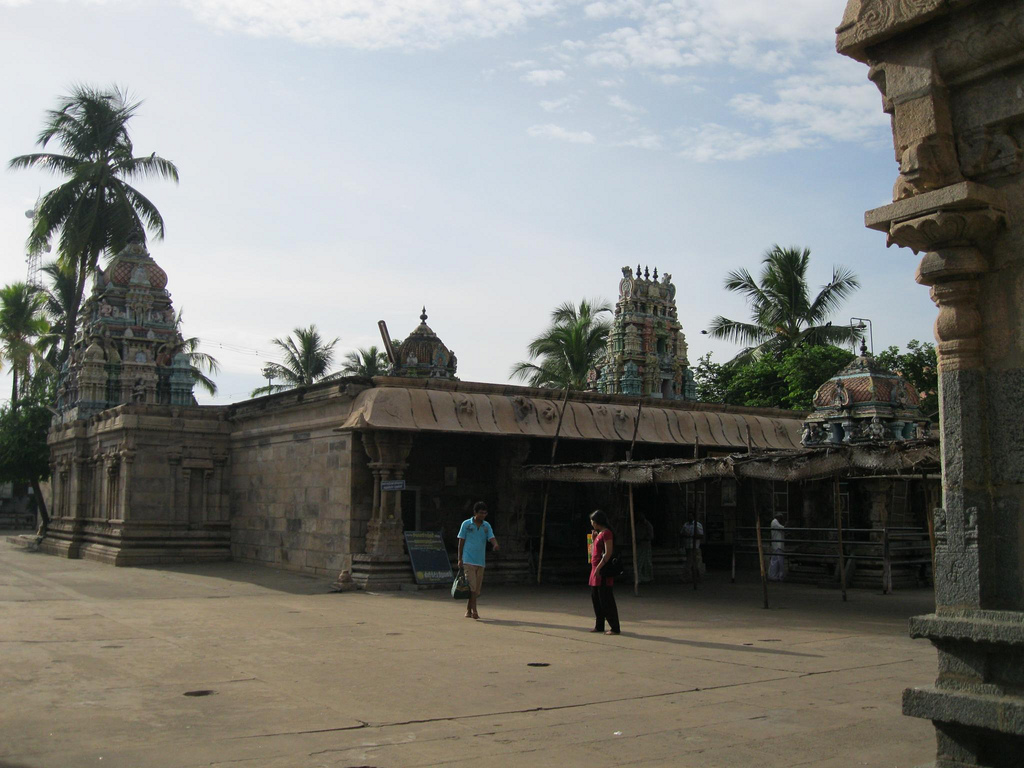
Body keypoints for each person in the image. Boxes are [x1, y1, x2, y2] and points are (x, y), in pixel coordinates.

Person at [457, 501, 499, 619]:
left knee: (476, 589)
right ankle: (475, 610)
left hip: (480, 561)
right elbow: (461, 541)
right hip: (468, 559)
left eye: (485, 513)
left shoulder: (486, 526)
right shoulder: (466, 524)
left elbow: (491, 537)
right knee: (472, 586)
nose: (483, 515)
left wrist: (495, 544)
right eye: (481, 513)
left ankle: (468, 609)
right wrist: (459, 558)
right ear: (475, 513)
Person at [589, 509, 620, 635]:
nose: (591, 523)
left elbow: (608, 553)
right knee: (596, 598)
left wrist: (599, 568)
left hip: (602, 571)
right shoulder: (599, 534)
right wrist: (593, 539)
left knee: (606, 599)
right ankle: (599, 625)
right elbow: (592, 553)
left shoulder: (607, 533)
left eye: (592, 521)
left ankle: (614, 627)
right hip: (595, 570)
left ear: (597, 522)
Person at [681, 509, 704, 587]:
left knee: (693, 563)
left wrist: (693, 536)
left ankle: (690, 577)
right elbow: (682, 533)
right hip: (688, 546)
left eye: (691, 516)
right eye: (688, 516)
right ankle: (694, 577)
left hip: (695, 546)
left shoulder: (697, 525)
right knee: (692, 563)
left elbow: (701, 535)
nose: (689, 517)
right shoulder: (685, 525)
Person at [635, 512, 655, 584]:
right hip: (640, 545)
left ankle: (648, 577)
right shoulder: (638, 525)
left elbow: (651, 536)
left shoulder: (648, 525)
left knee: (647, 562)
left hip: (646, 545)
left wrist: (643, 538)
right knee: (639, 561)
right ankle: (640, 577)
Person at [769, 511, 786, 581]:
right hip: (778, 544)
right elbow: (782, 528)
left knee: (775, 561)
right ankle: (779, 576)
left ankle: (773, 576)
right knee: (779, 562)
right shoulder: (774, 522)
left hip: (778, 544)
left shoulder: (776, 522)